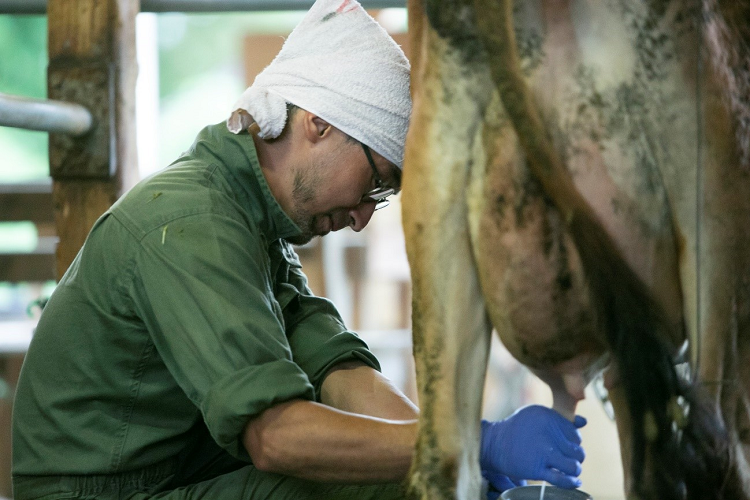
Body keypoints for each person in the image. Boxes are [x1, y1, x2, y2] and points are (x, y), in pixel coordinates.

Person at [11, 0, 586, 498]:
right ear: (318, 125)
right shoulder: (193, 221)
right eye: (378, 181)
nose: (363, 217)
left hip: (177, 479)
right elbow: (277, 436)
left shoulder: (256, 226)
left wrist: (465, 463)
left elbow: (340, 372)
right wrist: (468, 447)